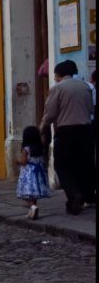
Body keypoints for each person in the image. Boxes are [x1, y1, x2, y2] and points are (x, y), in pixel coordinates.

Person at [40, 60, 94, 215]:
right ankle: (87, 196)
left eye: (55, 75)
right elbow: (90, 108)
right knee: (83, 164)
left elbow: (50, 113)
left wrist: (42, 128)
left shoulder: (57, 89)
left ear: (58, 74)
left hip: (66, 132)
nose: (55, 78)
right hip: (85, 130)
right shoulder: (85, 87)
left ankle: (73, 194)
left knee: (62, 166)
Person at [15, 126, 50, 220]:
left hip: (28, 174)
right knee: (34, 194)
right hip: (38, 173)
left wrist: (17, 161)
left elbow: (24, 161)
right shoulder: (40, 147)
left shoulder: (26, 149)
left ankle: (32, 207)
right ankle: (32, 211)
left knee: (23, 194)